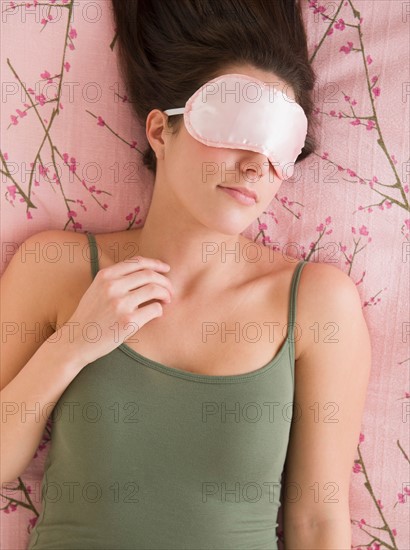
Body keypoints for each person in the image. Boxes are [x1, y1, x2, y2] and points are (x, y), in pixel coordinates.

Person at [0, 1, 371, 548]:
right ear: (159, 130)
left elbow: (317, 520)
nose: (254, 165)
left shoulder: (316, 304)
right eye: (235, 129)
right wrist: (76, 343)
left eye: (279, 148)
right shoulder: (56, 268)